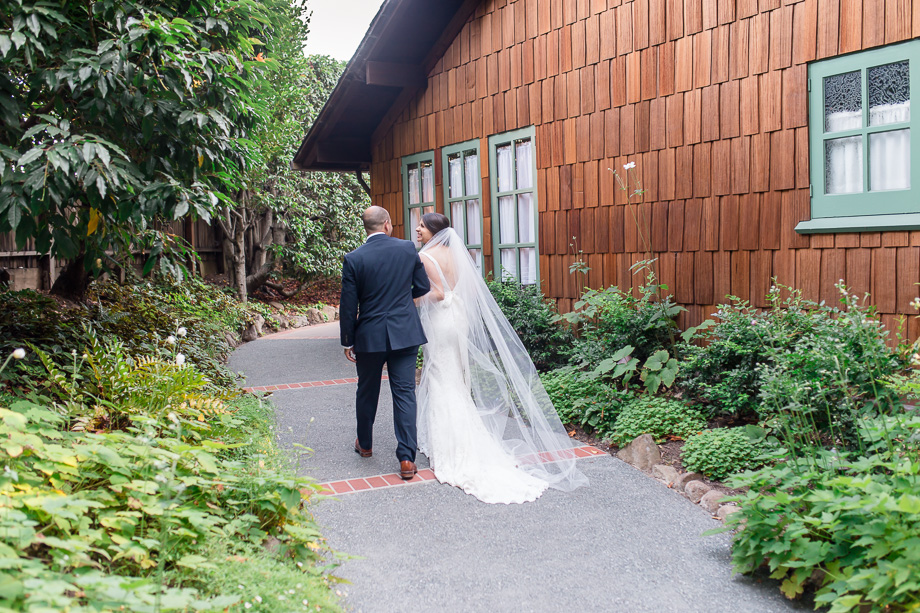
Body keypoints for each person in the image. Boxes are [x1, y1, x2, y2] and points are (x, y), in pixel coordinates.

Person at [414, 213, 588, 503]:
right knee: (454, 376)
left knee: (441, 377)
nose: (417, 229)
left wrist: (411, 299)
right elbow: (461, 290)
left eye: (421, 225)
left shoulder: (425, 256)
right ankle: (465, 438)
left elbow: (439, 293)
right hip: (457, 320)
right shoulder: (456, 255)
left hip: (441, 320)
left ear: (433, 230)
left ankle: (452, 446)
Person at [340, 206, 431, 480]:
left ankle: (365, 445)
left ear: (365, 228)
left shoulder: (354, 258)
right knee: (404, 393)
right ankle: (406, 459)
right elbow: (423, 286)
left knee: (366, 391)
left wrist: (348, 341)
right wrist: (404, 299)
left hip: (369, 335)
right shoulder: (406, 249)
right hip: (405, 333)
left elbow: (348, 305)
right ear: (388, 225)